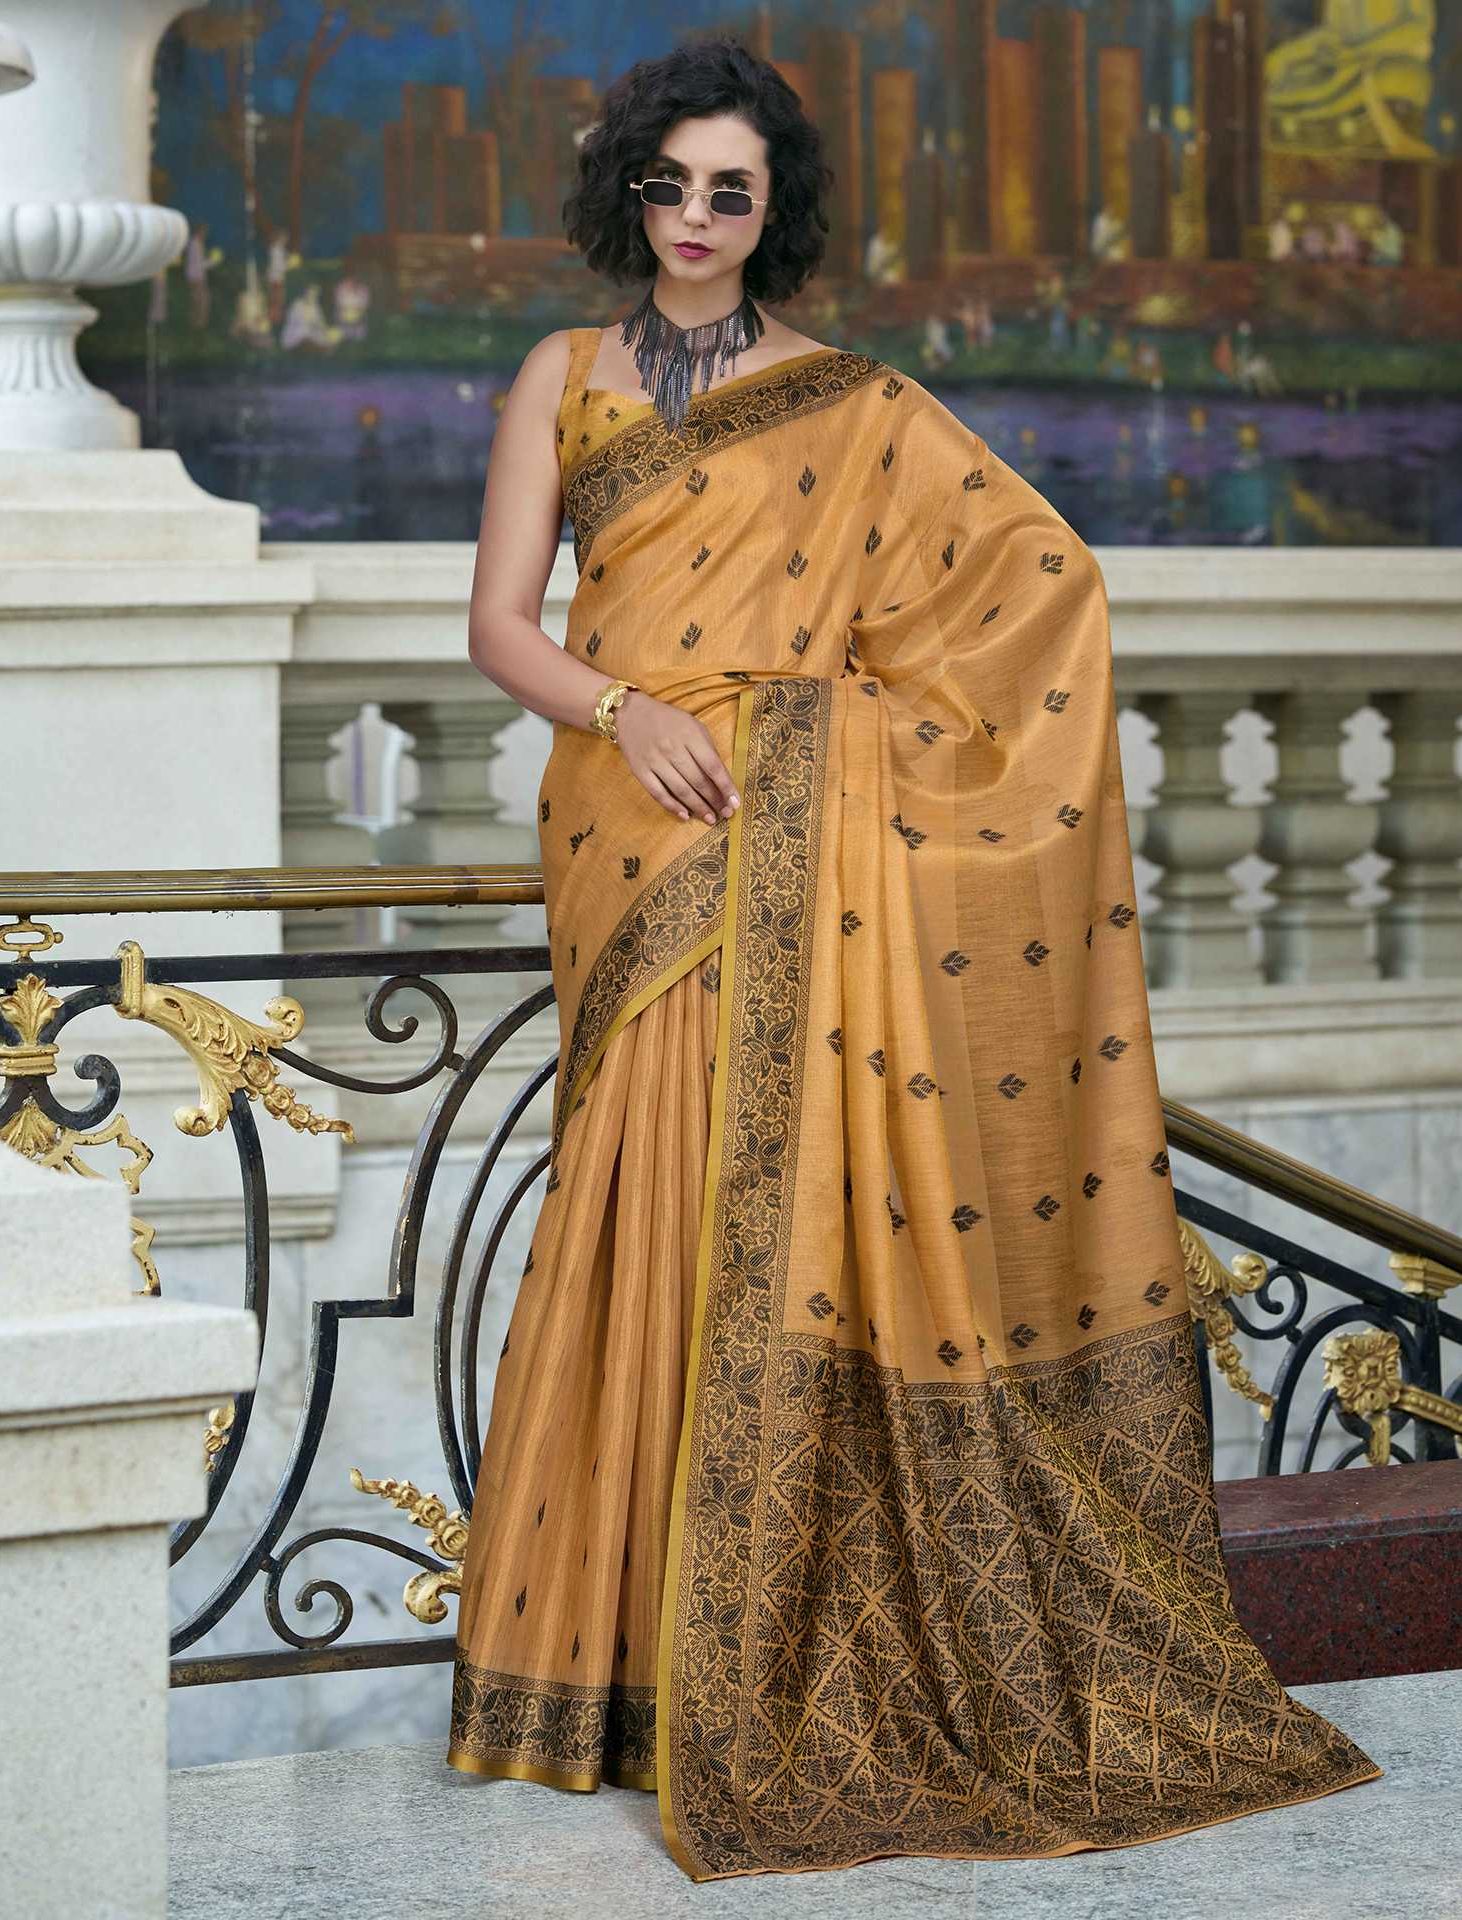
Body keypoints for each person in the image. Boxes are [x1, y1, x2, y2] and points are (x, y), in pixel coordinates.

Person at [447, 34, 1381, 1887]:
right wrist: (627, 708)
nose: (700, 218)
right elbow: (495, 625)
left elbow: (1039, 596)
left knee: (754, 1206)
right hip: (632, 815)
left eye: (735, 190)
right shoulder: (564, 375)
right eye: (672, 184)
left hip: (789, 825)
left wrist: (814, 737)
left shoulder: (855, 402)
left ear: (770, 210)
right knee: (641, 1202)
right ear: (624, 191)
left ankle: (752, 1651)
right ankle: (608, 1670)